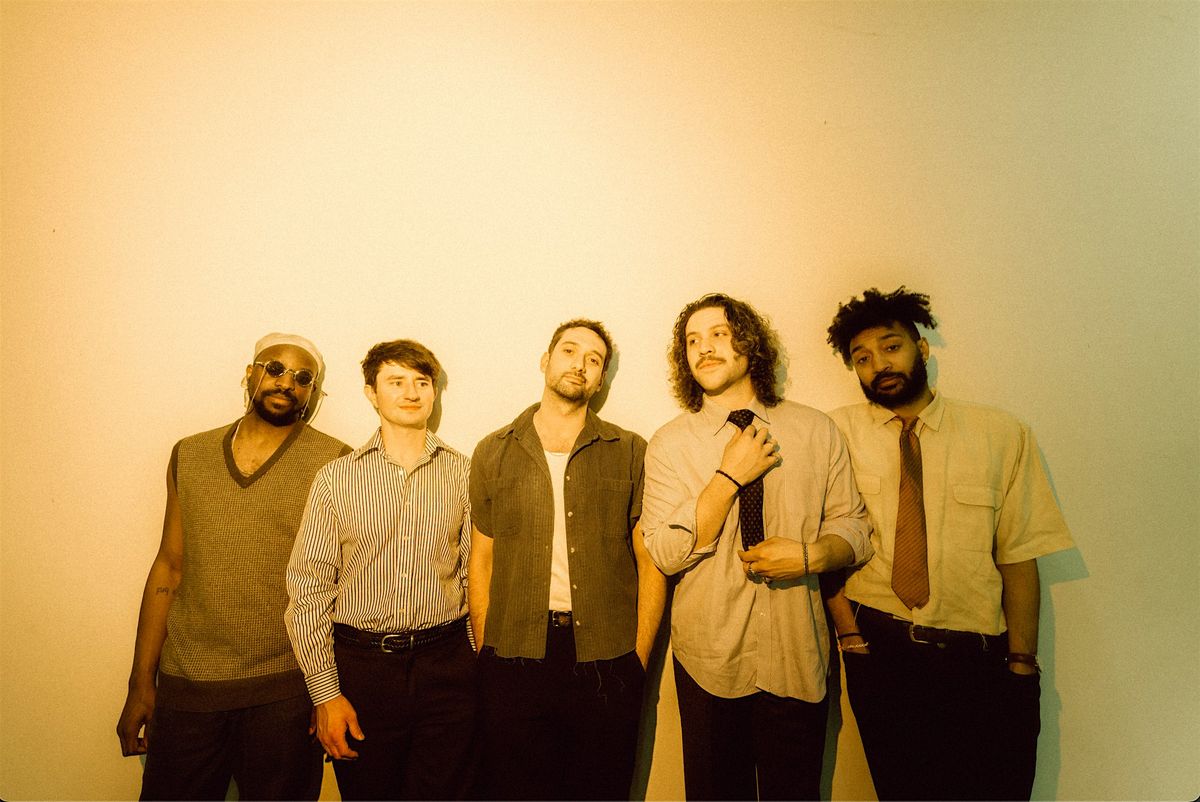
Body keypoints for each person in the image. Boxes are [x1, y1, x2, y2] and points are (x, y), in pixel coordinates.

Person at [823, 287, 1075, 801]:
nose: (878, 365)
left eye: (891, 347)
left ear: (922, 349)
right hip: (882, 653)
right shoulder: (835, 434)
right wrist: (850, 636)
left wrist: (1021, 663)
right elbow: (825, 537)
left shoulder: (999, 434)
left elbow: (1019, 556)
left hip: (979, 661)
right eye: (862, 358)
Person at [640, 293, 872, 801]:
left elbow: (855, 528)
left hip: (798, 654)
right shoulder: (669, 444)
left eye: (719, 334)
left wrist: (811, 556)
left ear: (750, 343)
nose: (704, 348)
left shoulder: (815, 430)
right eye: (692, 341)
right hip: (709, 660)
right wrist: (727, 478)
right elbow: (664, 553)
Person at [115, 333, 350, 801]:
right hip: (189, 685)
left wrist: (325, 691)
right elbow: (169, 567)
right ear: (249, 373)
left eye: (303, 378)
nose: (287, 383)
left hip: (285, 690)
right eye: (275, 368)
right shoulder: (190, 453)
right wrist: (141, 682)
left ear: (312, 393)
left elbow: (342, 586)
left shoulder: (334, 461)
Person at [468, 319, 666, 801]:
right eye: (569, 351)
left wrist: (637, 661)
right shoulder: (493, 450)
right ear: (545, 361)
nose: (580, 364)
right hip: (512, 657)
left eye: (593, 360)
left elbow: (650, 561)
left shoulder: (630, 450)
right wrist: (486, 654)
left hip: (607, 659)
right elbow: (481, 558)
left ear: (600, 380)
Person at [285, 339, 475, 801]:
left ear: (434, 392)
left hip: (446, 663)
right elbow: (308, 589)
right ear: (372, 393)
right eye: (396, 381)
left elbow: (475, 575)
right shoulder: (337, 478)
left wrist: (476, 667)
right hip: (363, 669)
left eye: (422, 382)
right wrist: (325, 693)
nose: (411, 392)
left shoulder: (463, 472)